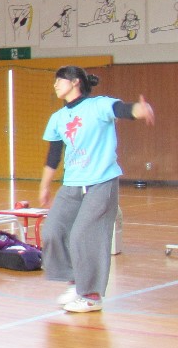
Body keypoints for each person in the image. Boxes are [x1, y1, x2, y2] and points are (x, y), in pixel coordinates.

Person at [38, 66, 155, 313]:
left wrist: (139, 110)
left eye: (60, 81)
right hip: (72, 184)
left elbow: (122, 109)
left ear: (75, 82)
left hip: (101, 182)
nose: (55, 85)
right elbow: (53, 156)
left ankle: (91, 295)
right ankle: (76, 281)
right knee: (52, 231)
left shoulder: (99, 105)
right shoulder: (57, 118)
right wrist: (45, 186)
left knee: (83, 235)